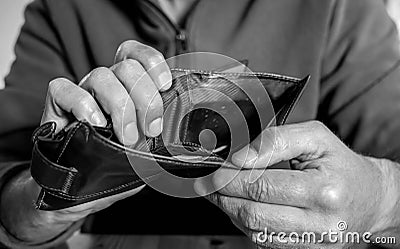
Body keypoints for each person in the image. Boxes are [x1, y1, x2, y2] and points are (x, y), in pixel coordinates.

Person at [0, 0, 399, 248]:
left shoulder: (338, 7)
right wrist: (47, 196)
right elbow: (9, 187)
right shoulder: (58, 11)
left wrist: (381, 199)